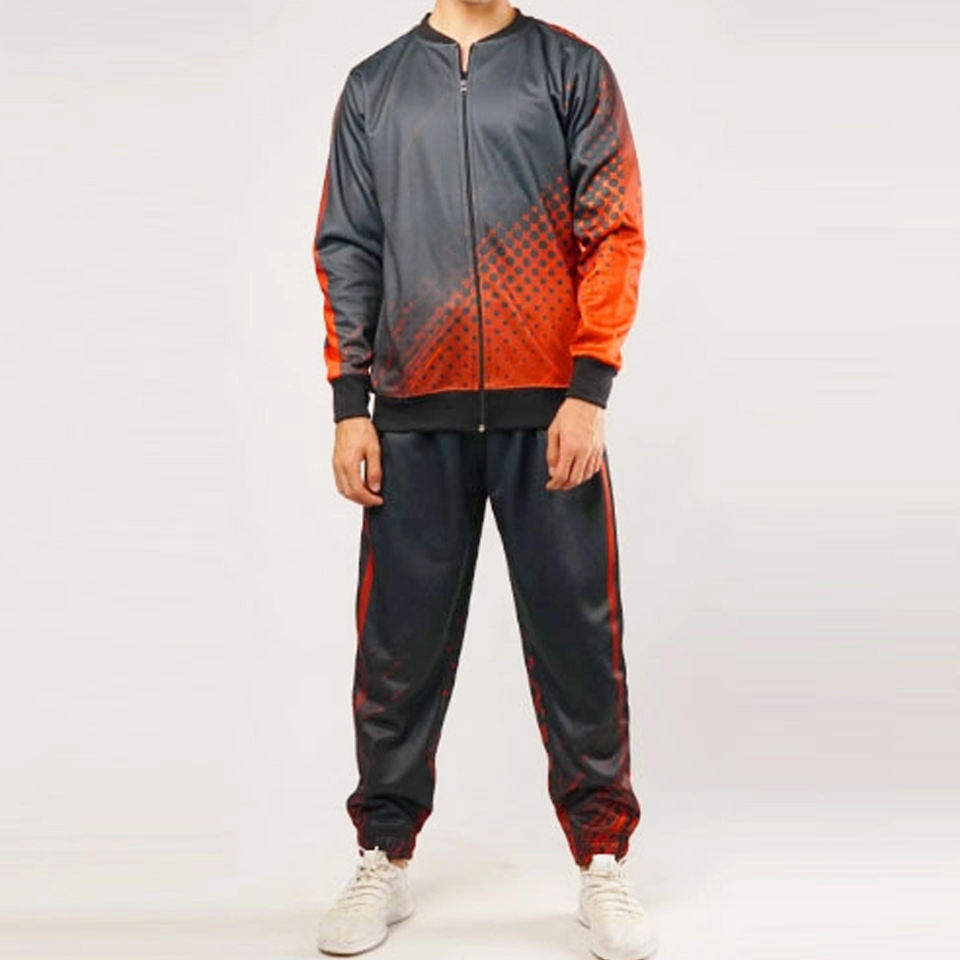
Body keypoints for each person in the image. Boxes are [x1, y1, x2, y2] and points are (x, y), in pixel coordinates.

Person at [311, 3, 656, 957]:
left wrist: (589, 387)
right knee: (397, 650)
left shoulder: (571, 70)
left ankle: (602, 859)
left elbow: (612, 229)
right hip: (412, 413)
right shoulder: (374, 88)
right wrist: (349, 404)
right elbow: (349, 244)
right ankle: (382, 852)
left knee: (578, 638)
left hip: (549, 417)